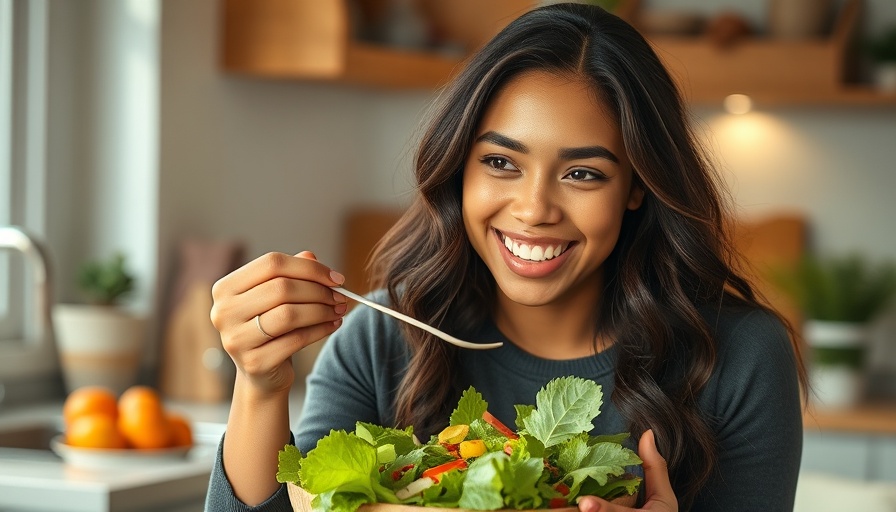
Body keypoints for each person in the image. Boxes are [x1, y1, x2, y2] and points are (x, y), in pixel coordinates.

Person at [204, 3, 806, 512]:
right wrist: (259, 383)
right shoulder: (381, 337)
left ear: (637, 186)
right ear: (459, 165)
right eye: (500, 162)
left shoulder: (741, 356)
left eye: (582, 173)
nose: (534, 209)